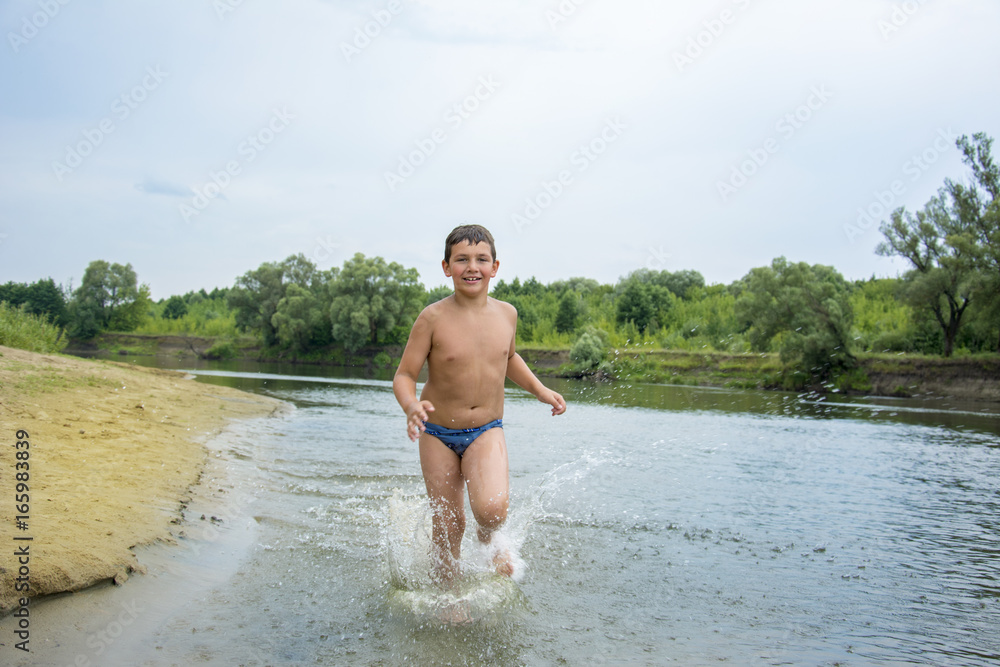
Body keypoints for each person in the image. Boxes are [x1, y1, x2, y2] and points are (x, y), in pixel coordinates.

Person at [393, 224, 566, 584]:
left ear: (495, 266)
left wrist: (540, 390)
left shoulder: (507, 314)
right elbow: (404, 375)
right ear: (446, 267)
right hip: (436, 432)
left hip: (486, 430)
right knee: (449, 522)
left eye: (481, 259)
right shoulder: (432, 318)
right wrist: (411, 406)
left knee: (491, 511)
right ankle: (447, 593)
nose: (472, 267)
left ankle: (488, 539)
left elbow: (509, 357)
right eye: (461, 260)